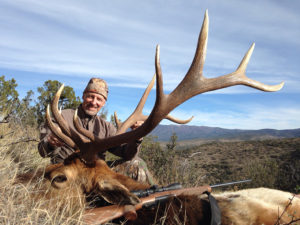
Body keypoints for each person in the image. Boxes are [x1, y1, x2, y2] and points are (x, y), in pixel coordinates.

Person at [38, 78, 155, 184]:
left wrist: (137, 139)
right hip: (68, 171)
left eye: (99, 99)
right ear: (83, 96)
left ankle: (157, 197)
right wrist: (50, 143)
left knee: (137, 163)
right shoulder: (60, 117)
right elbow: (42, 151)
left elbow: (127, 154)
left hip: (96, 173)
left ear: (103, 103)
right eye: (90, 96)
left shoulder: (106, 127)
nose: (94, 102)